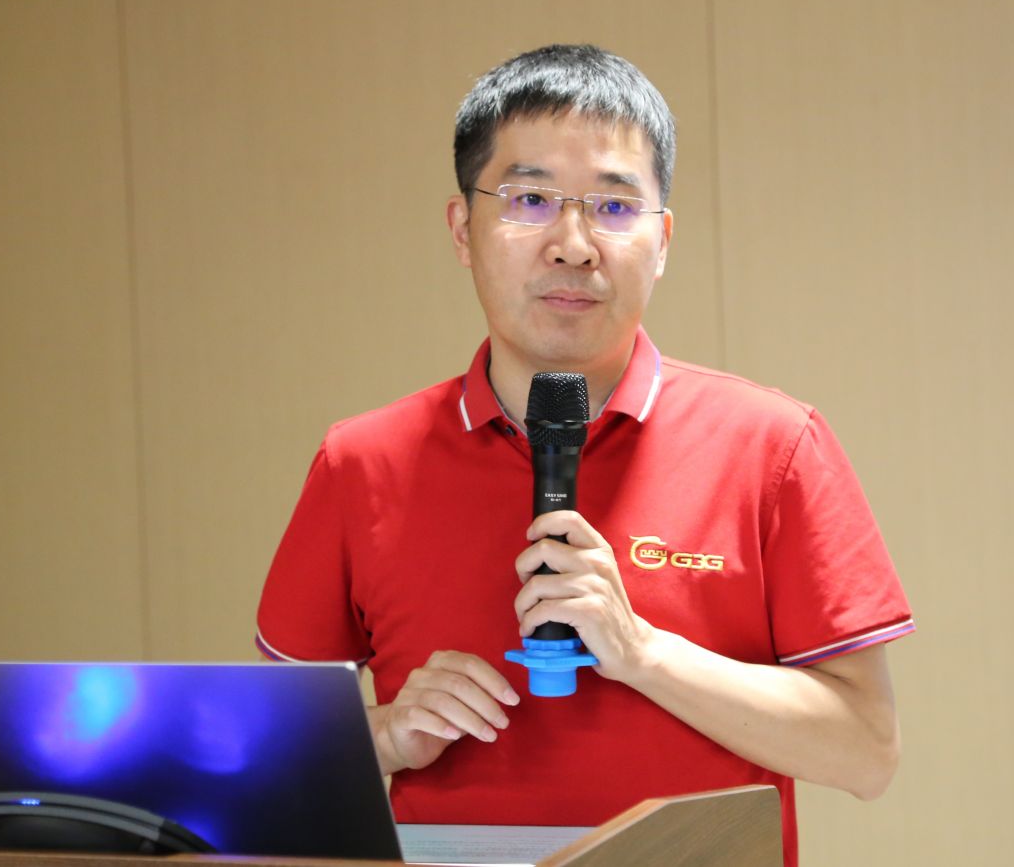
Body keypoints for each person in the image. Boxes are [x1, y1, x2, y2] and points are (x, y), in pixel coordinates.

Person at [256, 44, 914, 866]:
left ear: (662, 239)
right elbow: (264, 760)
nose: (573, 245)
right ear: (463, 229)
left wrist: (642, 652)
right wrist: (384, 735)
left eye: (613, 206)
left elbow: (866, 753)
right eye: (530, 199)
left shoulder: (774, 447)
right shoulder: (362, 462)